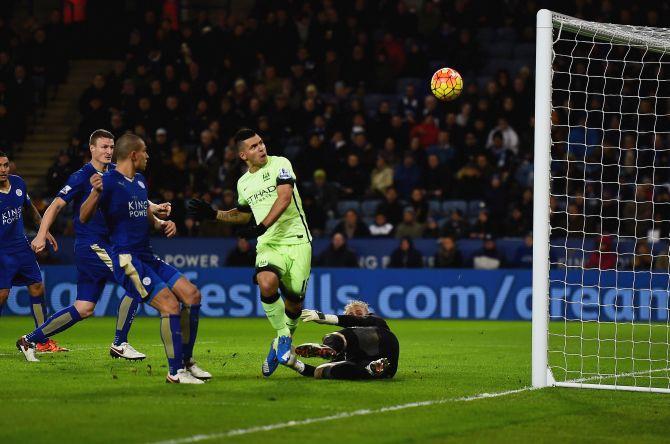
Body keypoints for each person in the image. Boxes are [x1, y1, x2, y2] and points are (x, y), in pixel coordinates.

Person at [23, 134, 210, 384]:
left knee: (84, 307)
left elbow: (134, 200)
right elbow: (57, 205)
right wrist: (42, 233)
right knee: (135, 281)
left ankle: (30, 339)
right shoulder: (85, 177)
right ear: (92, 149)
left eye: (112, 146)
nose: (108, 151)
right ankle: (122, 343)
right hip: (95, 246)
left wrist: (156, 214)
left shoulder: (123, 176)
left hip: (114, 245)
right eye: (103, 147)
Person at [187, 128, 312, 377]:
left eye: (261, 143)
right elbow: (244, 213)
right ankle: (284, 338)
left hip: (297, 241)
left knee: (294, 304)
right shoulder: (243, 183)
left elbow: (285, 198)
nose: (261, 148)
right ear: (243, 155)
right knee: (266, 282)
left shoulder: (281, 164)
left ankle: (278, 344)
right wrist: (215, 214)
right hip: (268, 243)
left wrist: (260, 226)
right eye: (254, 146)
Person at [0, 151, 65, 354]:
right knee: (2, 295)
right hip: (2, 252)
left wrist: (43, 231)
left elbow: (30, 209)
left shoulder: (18, 184)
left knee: (37, 287)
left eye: (5, 165)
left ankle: (42, 341)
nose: (3, 170)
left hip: (21, 247)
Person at [283, 300, 399, 380]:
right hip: (386, 370)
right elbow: (314, 372)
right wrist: (295, 364)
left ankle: (329, 348)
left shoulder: (375, 321)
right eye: (351, 315)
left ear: (368, 313)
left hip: (385, 344)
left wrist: (325, 317)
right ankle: (371, 368)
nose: (354, 316)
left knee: (337, 336)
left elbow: (359, 322)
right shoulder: (348, 346)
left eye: (358, 313)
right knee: (322, 370)